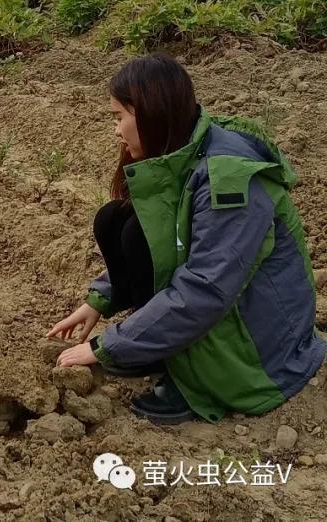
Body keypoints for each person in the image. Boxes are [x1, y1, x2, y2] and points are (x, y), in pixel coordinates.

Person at [48, 53, 324, 425]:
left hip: (261, 350)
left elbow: (206, 288)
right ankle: (161, 350)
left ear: (151, 113)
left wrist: (106, 346)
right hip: (230, 307)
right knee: (118, 222)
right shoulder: (184, 144)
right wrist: (102, 297)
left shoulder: (229, 180)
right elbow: (166, 232)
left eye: (119, 118)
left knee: (133, 233)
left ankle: (193, 379)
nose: (116, 131)